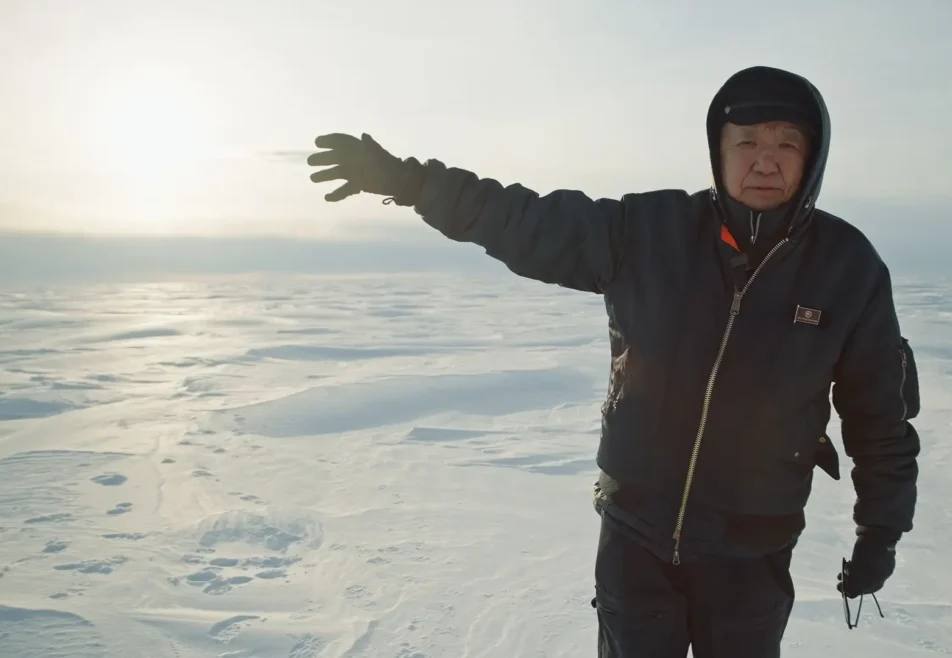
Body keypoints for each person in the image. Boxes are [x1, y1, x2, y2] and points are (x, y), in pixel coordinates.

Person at [308, 65, 920, 658]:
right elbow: (523, 220)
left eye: (787, 143)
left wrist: (880, 533)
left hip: (751, 556)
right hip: (636, 540)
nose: (766, 160)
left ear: (812, 158)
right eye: (747, 142)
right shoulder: (645, 232)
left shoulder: (848, 267)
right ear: (719, 151)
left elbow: (880, 417)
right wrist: (413, 183)